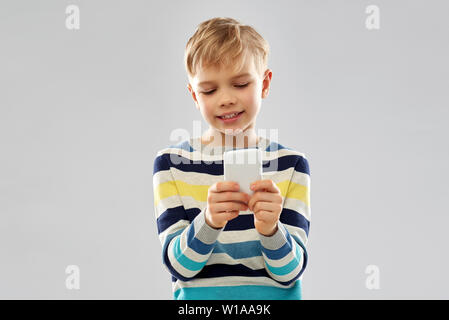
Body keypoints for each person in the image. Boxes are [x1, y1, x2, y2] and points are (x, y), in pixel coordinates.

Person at [152, 17, 311, 300]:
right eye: (209, 90)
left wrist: (271, 229)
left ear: (264, 84)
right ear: (194, 96)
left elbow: (290, 271)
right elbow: (179, 267)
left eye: (240, 84)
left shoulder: (291, 165)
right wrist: (209, 221)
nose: (225, 99)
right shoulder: (172, 165)